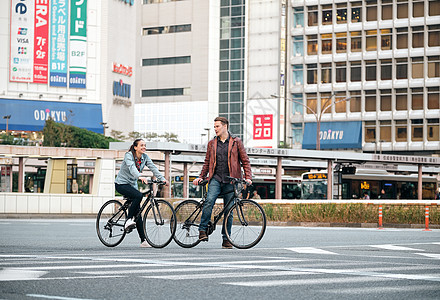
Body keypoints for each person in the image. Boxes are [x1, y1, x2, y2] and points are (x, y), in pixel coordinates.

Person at [193, 117, 252, 249]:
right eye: (214, 126)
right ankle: (202, 230)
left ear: (225, 126)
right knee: (209, 201)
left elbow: (245, 161)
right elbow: (207, 162)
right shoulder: (212, 143)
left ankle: (226, 239)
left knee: (229, 211)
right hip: (216, 178)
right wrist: (201, 176)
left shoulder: (236, 142)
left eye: (217, 126)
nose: (215, 129)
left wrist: (248, 177)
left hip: (231, 180)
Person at [115, 139, 168, 248]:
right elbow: (132, 168)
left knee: (138, 213)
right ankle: (128, 220)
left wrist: (162, 179)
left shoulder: (145, 157)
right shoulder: (128, 155)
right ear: (135, 147)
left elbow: (153, 168)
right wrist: (140, 176)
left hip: (132, 185)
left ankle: (143, 241)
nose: (144, 147)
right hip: (121, 184)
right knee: (138, 196)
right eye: (141, 145)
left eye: (145, 145)